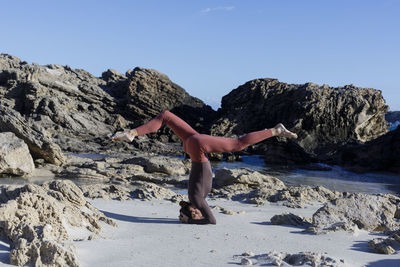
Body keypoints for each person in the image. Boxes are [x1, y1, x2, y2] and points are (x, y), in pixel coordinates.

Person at [111, 110, 297, 225]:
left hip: (197, 148)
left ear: (193, 211)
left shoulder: (197, 199)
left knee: (237, 144)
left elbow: (211, 221)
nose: (198, 215)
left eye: (191, 215)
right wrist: (189, 218)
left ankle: (276, 130)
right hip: (192, 145)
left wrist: (191, 221)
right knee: (166, 116)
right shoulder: (195, 197)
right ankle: (132, 133)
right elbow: (207, 217)